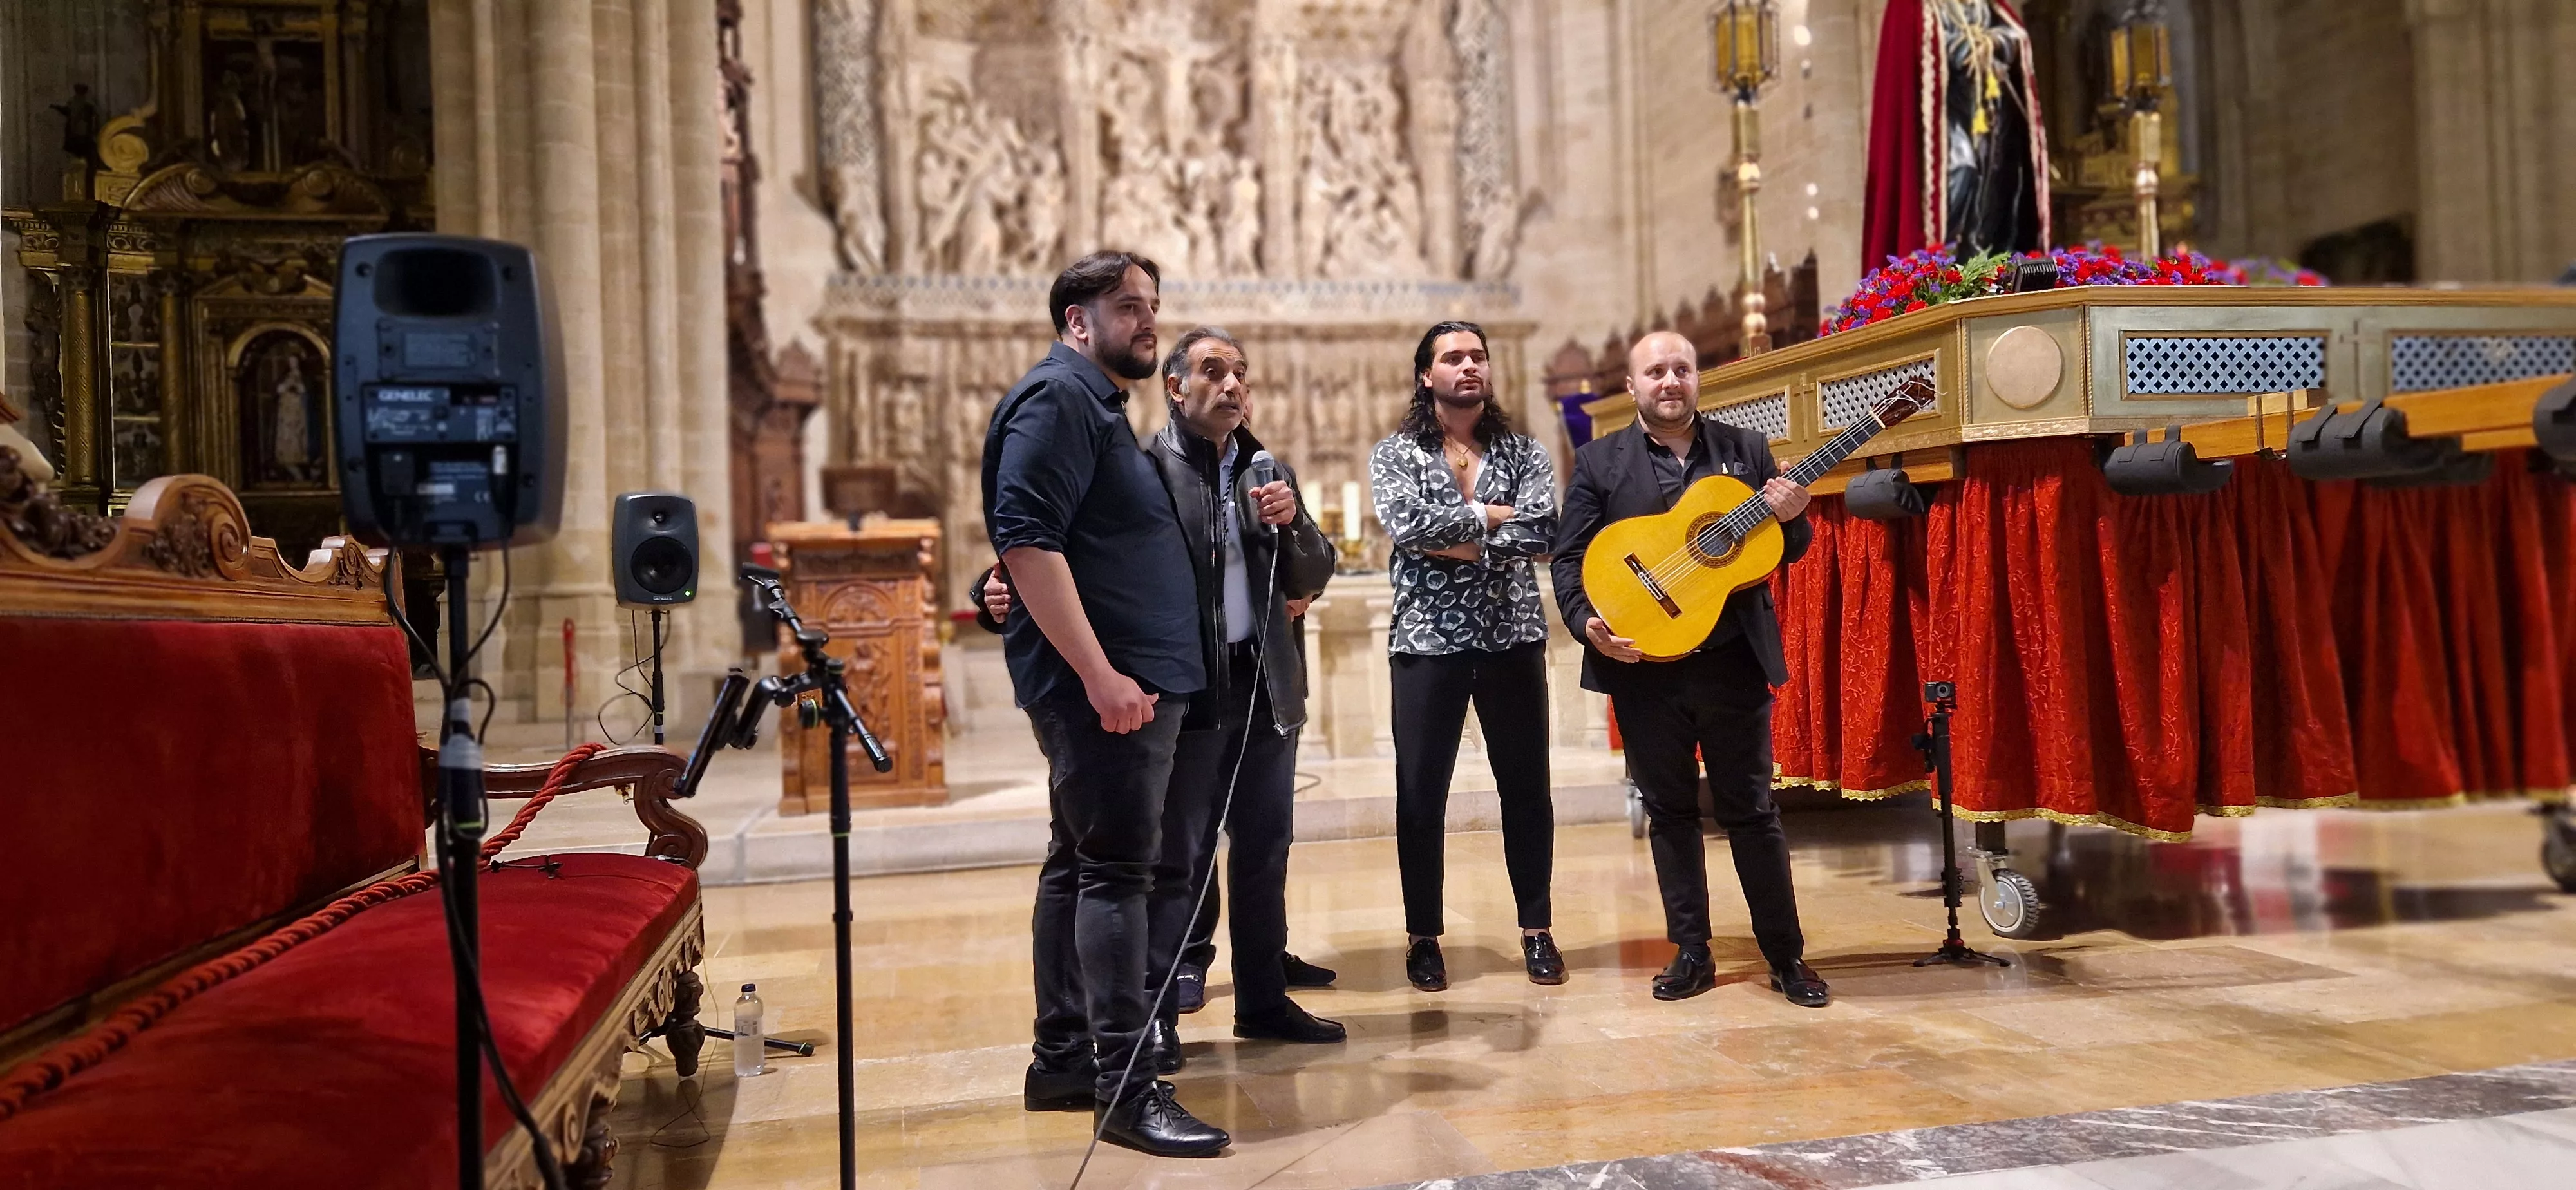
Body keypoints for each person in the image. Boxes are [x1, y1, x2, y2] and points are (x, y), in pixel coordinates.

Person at [979, 325, 1346, 1072]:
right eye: (1214, 371)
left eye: (1242, 372)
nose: (1233, 385)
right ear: (1175, 387)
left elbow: (1313, 575)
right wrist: (990, 587)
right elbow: (1064, 550)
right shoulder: (1145, 469)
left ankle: (1264, 996)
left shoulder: (1266, 471)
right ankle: (1156, 1012)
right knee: (1176, 859)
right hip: (1190, 689)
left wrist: (1294, 521)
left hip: (1266, 686)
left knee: (1265, 850)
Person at [980, 250, 1225, 1157]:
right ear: (1077, 321)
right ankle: (1127, 1089)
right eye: (1128, 307)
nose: (1147, 321)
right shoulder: (1057, 400)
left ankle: (1064, 1058)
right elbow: (1028, 542)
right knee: (1120, 872)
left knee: (1078, 862)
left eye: (1152, 306)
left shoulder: (1093, 406)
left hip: (1121, 682)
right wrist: (1099, 675)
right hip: (1110, 691)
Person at [1549, 330, 1831, 1008]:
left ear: (1697, 378)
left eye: (1681, 369)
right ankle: (1692, 952)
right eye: (1655, 372)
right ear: (1632, 386)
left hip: (1731, 660)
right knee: (1669, 813)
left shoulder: (1745, 451)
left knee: (1753, 811)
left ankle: (1787, 958)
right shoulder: (1598, 461)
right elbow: (1569, 560)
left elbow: (1776, 549)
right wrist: (1588, 623)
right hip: (1645, 668)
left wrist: (1795, 519)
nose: (1669, 381)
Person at [1367, 319, 1565, 992]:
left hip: (1512, 637)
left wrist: (1460, 531)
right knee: (1422, 795)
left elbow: (1544, 530)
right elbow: (1407, 527)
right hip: (1427, 641)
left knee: (1526, 790)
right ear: (1427, 375)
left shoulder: (1523, 451)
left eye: (1477, 355)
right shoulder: (1396, 455)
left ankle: (1536, 928)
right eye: (1452, 357)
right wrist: (1491, 518)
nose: (1468, 366)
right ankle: (1424, 937)